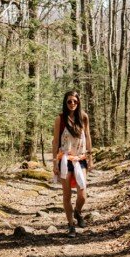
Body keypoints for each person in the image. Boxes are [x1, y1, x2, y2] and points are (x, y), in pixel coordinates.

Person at [52, 90, 93, 237]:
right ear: (65, 102)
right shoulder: (60, 119)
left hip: (80, 158)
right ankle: (70, 225)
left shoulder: (83, 117)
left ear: (78, 102)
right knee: (67, 194)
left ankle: (78, 212)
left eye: (75, 101)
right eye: (69, 101)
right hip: (65, 159)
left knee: (82, 194)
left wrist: (90, 156)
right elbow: (56, 140)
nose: (72, 104)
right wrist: (55, 162)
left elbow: (87, 137)